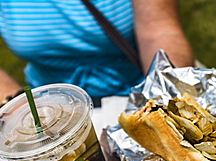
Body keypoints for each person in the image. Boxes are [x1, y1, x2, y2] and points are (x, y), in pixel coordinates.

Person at [0, 0, 195, 105]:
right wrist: (20, 110)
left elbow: (160, 32)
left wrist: (169, 102)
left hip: (137, 93)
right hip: (49, 106)